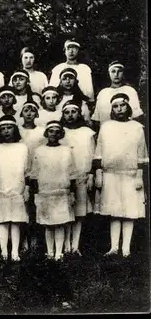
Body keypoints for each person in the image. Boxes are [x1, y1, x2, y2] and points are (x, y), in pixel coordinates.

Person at [93, 93, 148, 257]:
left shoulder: (137, 128)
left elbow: (141, 153)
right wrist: (98, 173)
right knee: (114, 211)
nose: (119, 109)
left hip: (130, 175)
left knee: (129, 211)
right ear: (112, 109)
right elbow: (99, 151)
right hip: (111, 174)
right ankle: (114, 247)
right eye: (115, 106)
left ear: (128, 107)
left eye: (122, 105)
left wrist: (139, 174)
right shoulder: (106, 127)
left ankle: (126, 248)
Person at [30, 120, 77, 260]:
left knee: (60, 223)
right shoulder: (39, 151)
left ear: (61, 134)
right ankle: (50, 252)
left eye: (57, 132)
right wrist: (35, 194)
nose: (54, 134)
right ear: (46, 133)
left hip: (61, 191)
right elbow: (34, 174)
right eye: (51, 131)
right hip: (45, 191)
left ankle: (59, 253)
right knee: (48, 224)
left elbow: (72, 173)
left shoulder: (67, 151)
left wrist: (72, 192)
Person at [0, 115, 29, 262]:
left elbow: (27, 171)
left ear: (15, 130)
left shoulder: (22, 148)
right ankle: (4, 252)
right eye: (3, 129)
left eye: (9, 128)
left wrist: (27, 189)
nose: (6, 131)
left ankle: (15, 252)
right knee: (3, 222)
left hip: (18, 189)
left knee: (16, 221)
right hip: (1, 189)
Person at [60, 100, 96, 255]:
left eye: (73, 112)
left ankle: (76, 245)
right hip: (64, 178)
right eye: (67, 112)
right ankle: (66, 244)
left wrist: (91, 174)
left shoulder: (87, 133)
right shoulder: (59, 131)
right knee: (66, 211)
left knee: (79, 212)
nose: (70, 115)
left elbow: (94, 154)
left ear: (79, 113)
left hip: (82, 175)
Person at [18, 100, 46, 251]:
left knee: (34, 207)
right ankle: (22, 242)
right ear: (21, 113)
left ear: (36, 113)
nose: (29, 113)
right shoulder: (17, 131)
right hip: (19, 173)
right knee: (22, 207)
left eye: (32, 110)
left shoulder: (42, 132)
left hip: (37, 172)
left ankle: (35, 240)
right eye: (26, 110)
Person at [92, 61, 144, 130]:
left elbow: (137, 116)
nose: (116, 74)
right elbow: (97, 119)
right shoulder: (103, 93)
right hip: (107, 132)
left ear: (123, 73)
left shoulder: (130, 91)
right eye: (113, 71)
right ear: (109, 73)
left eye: (119, 71)